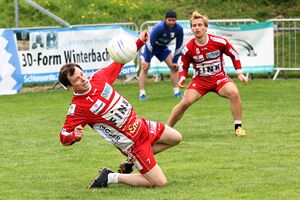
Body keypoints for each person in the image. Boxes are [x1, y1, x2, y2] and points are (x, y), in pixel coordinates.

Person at [58, 30, 182, 188]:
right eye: (77, 79)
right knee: (160, 183)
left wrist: (139, 42)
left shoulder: (98, 79)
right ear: (70, 87)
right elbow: (64, 136)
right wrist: (73, 136)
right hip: (132, 143)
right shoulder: (78, 108)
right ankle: (111, 177)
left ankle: (133, 162)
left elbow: (119, 62)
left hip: (142, 126)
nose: (83, 79)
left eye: (82, 74)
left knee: (176, 137)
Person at [167, 11, 248, 136]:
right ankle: (166, 130)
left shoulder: (219, 42)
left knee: (234, 93)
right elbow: (184, 65)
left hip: (219, 79)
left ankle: (238, 128)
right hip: (200, 81)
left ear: (205, 27)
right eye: (194, 26)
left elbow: (234, 54)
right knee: (185, 102)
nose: (197, 28)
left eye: (200, 25)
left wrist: (239, 73)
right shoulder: (188, 48)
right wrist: (183, 77)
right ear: (191, 29)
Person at [139, 10, 184, 100]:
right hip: (150, 47)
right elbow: (150, 43)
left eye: (173, 20)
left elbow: (179, 46)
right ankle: (142, 94)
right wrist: (147, 60)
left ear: (176, 20)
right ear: (165, 20)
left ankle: (177, 92)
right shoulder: (159, 28)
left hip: (162, 48)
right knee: (145, 68)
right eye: (169, 20)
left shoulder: (179, 29)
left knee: (174, 67)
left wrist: (175, 61)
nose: (171, 22)